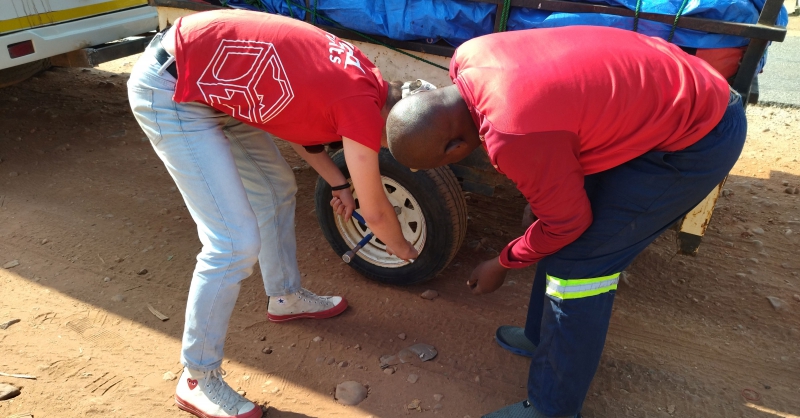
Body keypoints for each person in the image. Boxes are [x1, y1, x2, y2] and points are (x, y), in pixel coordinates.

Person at [386, 26, 746, 418]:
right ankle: (541, 337)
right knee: (559, 235)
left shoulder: (510, 133)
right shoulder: (469, 56)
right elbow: (553, 129)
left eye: (442, 164)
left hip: (698, 133)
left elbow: (567, 223)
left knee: (582, 265)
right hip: (671, 92)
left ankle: (551, 409)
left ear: (455, 147)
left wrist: (502, 262)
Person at [127, 9, 419, 418]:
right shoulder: (360, 106)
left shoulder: (368, 79)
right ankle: (197, 379)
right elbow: (375, 211)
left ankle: (284, 296)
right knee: (232, 242)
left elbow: (298, 124)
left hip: (220, 83)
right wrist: (405, 249)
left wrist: (338, 184)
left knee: (276, 189)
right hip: (173, 87)